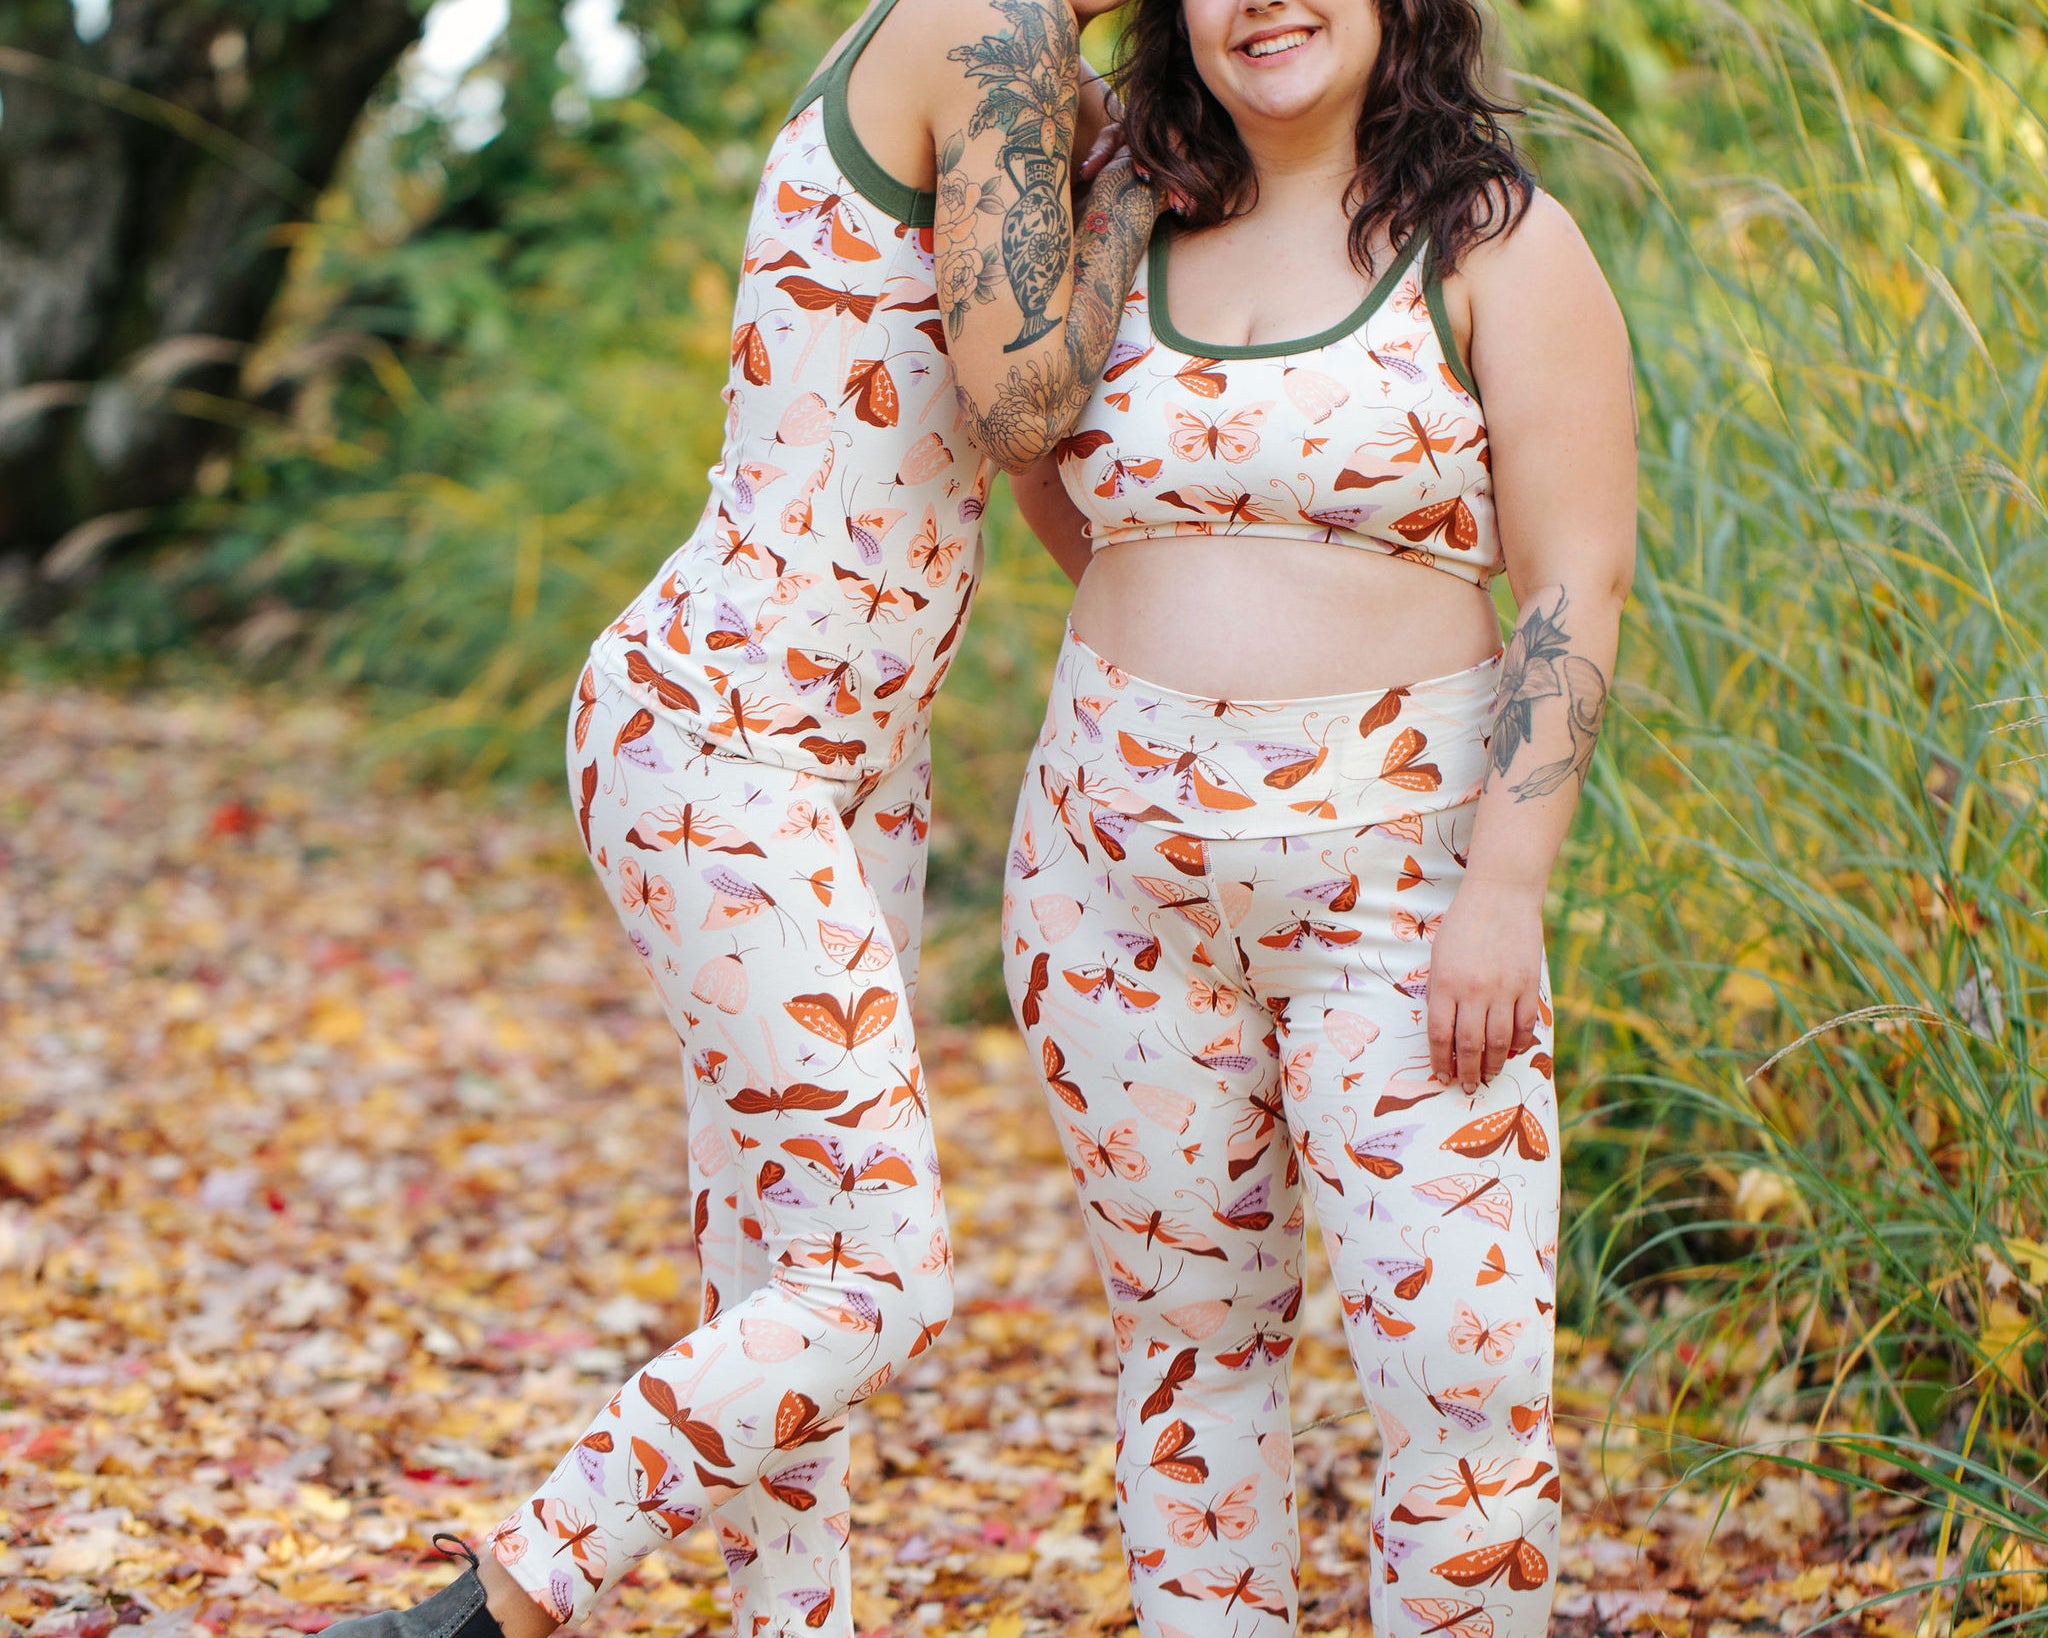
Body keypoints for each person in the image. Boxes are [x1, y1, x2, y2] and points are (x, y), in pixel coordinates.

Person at [323, 3, 1157, 1637]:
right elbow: (1013, 400)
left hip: (850, 757)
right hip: (722, 734)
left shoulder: (1033, 67)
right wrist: (1140, 194)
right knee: (882, 1270)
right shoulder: (991, 33)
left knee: (789, 1268)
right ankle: (491, 1601)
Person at [998, 0, 1637, 1629]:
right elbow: (1049, 478)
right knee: (1189, 1354)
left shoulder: (1496, 240)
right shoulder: (1125, 223)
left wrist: (1505, 887)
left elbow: (1576, 578)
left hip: (1405, 890)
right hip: (1109, 885)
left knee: (1460, 1371)